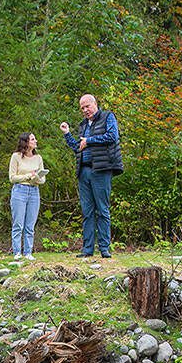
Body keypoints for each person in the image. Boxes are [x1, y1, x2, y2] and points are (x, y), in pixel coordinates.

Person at [60, 94, 122, 258]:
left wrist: (90, 140)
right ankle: (87, 250)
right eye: (82, 108)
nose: (85, 110)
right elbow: (78, 147)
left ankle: (104, 248)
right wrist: (67, 134)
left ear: (95, 104)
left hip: (101, 169)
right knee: (87, 212)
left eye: (87, 106)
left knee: (102, 210)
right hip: (84, 171)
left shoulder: (108, 117)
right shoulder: (83, 125)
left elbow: (112, 136)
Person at [8, 132, 46, 258]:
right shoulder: (16, 156)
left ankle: (28, 252)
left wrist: (36, 178)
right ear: (26, 142)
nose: (36, 141)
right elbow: (12, 178)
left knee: (30, 224)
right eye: (33, 139)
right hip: (20, 190)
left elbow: (42, 179)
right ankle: (17, 252)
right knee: (18, 223)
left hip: (34, 191)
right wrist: (29, 175)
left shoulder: (38, 158)